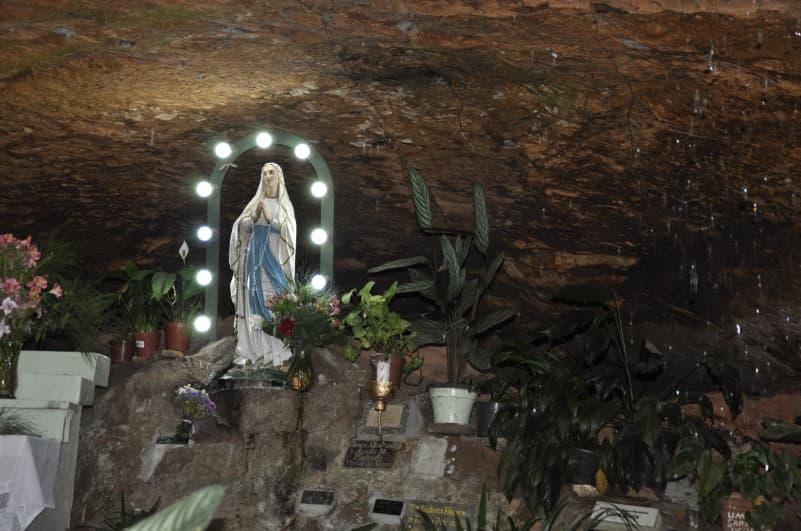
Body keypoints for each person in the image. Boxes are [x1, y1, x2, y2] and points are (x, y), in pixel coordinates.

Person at [229, 162, 297, 366]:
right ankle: (254, 351)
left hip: (274, 258)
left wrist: (270, 219)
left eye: (271, 172)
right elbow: (240, 229)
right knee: (252, 300)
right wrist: (253, 217)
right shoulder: (254, 203)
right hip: (253, 260)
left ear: (279, 176)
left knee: (275, 299)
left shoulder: (284, 206)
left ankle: (277, 353)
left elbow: (289, 233)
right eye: (264, 173)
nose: (267, 176)